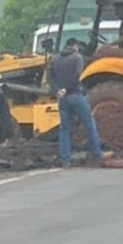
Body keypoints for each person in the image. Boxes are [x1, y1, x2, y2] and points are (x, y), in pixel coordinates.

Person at [48, 38, 104, 168]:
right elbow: (77, 75)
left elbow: (49, 76)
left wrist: (57, 90)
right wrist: (67, 89)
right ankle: (97, 153)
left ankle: (65, 160)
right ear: (74, 46)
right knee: (89, 123)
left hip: (62, 99)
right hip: (75, 95)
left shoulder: (55, 59)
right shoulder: (77, 57)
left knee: (65, 128)